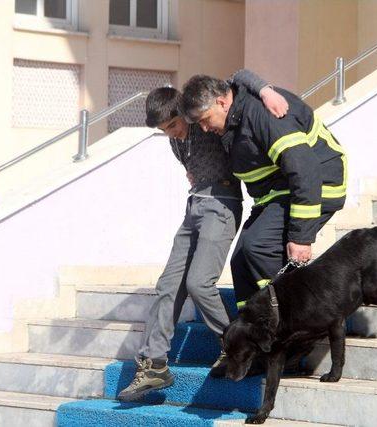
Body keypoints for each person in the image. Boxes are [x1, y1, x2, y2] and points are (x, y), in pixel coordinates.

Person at [117, 70, 289, 402]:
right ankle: (153, 366)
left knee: (199, 283)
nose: (173, 133)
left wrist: (266, 90)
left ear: (184, 112)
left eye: (173, 125)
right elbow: (189, 164)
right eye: (165, 131)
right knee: (168, 284)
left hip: (222, 205)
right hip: (194, 206)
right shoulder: (175, 141)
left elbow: (235, 79)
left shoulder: (203, 122)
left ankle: (236, 345)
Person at [181, 75, 347, 309]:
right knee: (240, 261)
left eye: (205, 120)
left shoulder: (264, 114)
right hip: (277, 192)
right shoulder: (235, 115)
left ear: (221, 102)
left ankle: (301, 317)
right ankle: (255, 331)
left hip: (319, 184)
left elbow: (305, 170)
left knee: (259, 246)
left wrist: (301, 237)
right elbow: (239, 75)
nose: (205, 128)